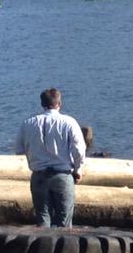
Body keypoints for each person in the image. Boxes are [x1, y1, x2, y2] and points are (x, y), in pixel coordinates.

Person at [14, 88, 86, 227]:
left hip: (39, 176)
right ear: (59, 103)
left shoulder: (28, 123)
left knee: (42, 220)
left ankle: (44, 247)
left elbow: (18, 149)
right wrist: (78, 169)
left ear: (42, 104)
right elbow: (79, 149)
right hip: (62, 176)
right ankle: (63, 248)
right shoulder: (69, 122)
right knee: (64, 221)